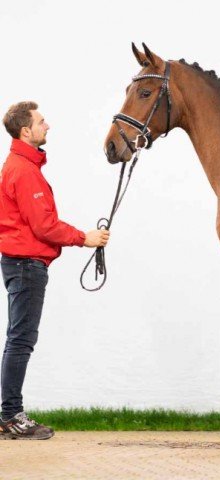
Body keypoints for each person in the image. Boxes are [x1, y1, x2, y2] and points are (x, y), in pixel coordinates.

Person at [0, 101, 109, 440]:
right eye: (42, 122)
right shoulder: (22, 170)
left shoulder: (22, 167)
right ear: (26, 131)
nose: (48, 126)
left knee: (19, 338)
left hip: (24, 265)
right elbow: (44, 226)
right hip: (25, 265)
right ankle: (10, 416)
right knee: (20, 340)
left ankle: (9, 414)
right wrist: (84, 238)